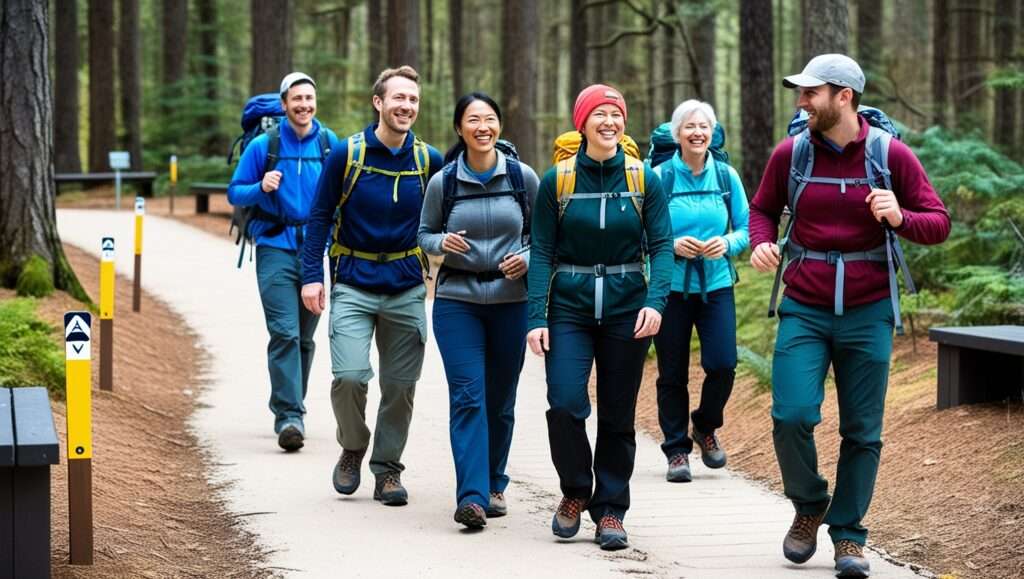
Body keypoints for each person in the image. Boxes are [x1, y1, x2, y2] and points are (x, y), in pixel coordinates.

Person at [748, 54, 950, 577]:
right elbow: (762, 208)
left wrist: (900, 216)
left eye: (811, 92)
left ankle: (849, 537)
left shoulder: (891, 155)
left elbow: (938, 222)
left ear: (844, 96)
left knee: (863, 431)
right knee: (791, 415)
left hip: (868, 311)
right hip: (805, 308)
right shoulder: (791, 154)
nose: (801, 101)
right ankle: (810, 503)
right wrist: (762, 243)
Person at [526, 84, 673, 551]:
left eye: (616, 114)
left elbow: (663, 246)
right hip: (569, 306)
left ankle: (611, 509)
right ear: (582, 121)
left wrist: (656, 301)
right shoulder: (558, 180)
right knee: (565, 403)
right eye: (600, 114)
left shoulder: (644, 179)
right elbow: (542, 251)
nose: (609, 122)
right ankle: (574, 492)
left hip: (627, 308)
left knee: (617, 413)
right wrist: (536, 316)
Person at [300, 66, 443, 506]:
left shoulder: (429, 161)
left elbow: (448, 220)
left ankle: (387, 470)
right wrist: (310, 276)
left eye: (413, 100)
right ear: (378, 102)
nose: (406, 106)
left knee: (400, 386)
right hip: (354, 284)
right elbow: (320, 216)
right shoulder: (347, 154)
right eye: (398, 98)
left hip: (406, 286)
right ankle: (353, 446)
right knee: (349, 376)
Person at [418, 92, 539, 529]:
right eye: (473, 120)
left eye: (489, 119)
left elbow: (544, 239)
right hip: (457, 303)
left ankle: (493, 483)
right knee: (469, 396)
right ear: (460, 129)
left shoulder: (523, 179)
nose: (482, 126)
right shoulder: (444, 182)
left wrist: (525, 258)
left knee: (501, 400)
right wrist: (439, 244)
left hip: (512, 303)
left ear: (499, 126)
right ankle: (470, 497)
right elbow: (424, 233)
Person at [227, 72, 339, 452]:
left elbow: (344, 193)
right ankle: (289, 415)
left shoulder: (329, 144)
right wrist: (262, 187)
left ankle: (290, 405)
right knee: (285, 333)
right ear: (285, 103)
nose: (304, 105)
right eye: (297, 99)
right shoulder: (264, 145)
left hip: (316, 251)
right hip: (275, 247)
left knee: (306, 338)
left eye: (309, 98)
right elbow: (235, 193)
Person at [651, 99, 749, 483]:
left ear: (712, 133)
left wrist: (726, 243)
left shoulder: (726, 177)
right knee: (671, 372)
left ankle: (705, 427)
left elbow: (745, 228)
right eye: (689, 127)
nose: (697, 133)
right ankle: (677, 450)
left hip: (717, 285)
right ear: (677, 134)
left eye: (704, 126)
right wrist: (671, 244)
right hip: (670, 288)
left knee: (723, 364)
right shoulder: (658, 177)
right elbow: (643, 233)